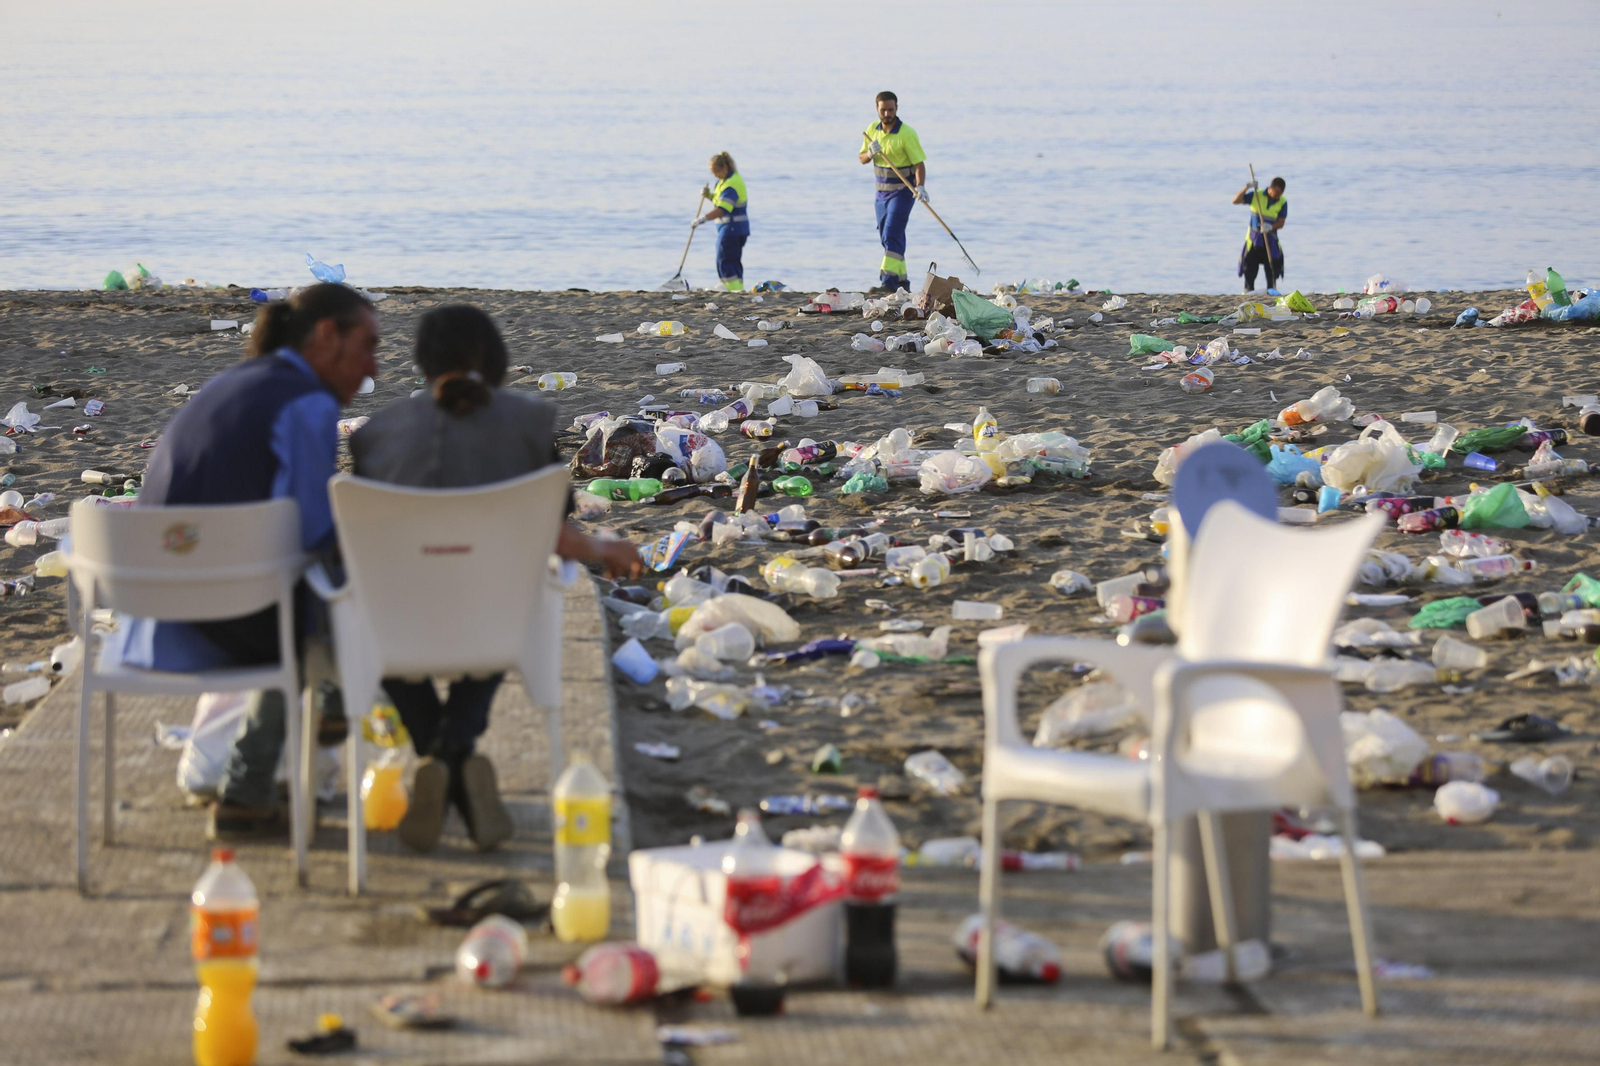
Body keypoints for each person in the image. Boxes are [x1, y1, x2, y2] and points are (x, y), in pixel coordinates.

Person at [349, 304, 643, 853]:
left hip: (395, 627)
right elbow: (557, 536)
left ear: (422, 360)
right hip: (494, 624)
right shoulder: (528, 422)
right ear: (491, 355)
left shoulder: (375, 436)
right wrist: (607, 547)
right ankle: (453, 755)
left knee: (375, 620)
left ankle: (441, 759)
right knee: (510, 602)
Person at [132, 283, 379, 839]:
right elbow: (314, 529)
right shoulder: (305, 400)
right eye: (367, 346)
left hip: (150, 604)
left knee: (299, 593)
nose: (374, 370)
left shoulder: (231, 384)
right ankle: (334, 697)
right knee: (343, 580)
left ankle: (321, 708)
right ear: (325, 336)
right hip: (232, 613)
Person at [858, 90, 927, 294]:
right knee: (887, 237)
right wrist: (870, 152)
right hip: (881, 194)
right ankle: (902, 282)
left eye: (890, 109)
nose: (887, 113)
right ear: (877, 109)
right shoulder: (872, 130)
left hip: (903, 192)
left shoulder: (907, 133)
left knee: (891, 233)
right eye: (883, 110)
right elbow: (861, 158)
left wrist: (920, 186)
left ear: (897, 108)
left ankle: (888, 281)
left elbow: (919, 164)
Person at [693, 152, 750, 292]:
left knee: (724, 260)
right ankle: (736, 288)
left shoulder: (732, 184)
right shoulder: (723, 182)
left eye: (716, 171)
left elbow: (723, 208)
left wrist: (703, 218)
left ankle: (732, 289)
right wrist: (709, 196)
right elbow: (720, 201)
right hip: (732, 229)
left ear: (724, 167)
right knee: (732, 259)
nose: (714, 176)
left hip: (732, 229)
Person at [1232, 176, 1287, 292]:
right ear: (1270, 188)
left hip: (1270, 241)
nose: (1277, 196)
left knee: (1272, 271)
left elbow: (1281, 223)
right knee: (1249, 271)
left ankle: (1272, 291)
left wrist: (1271, 227)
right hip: (1254, 240)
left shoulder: (1282, 202)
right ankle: (1248, 292)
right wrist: (1247, 187)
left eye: (1280, 194)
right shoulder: (1257, 196)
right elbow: (1235, 200)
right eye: (1276, 193)